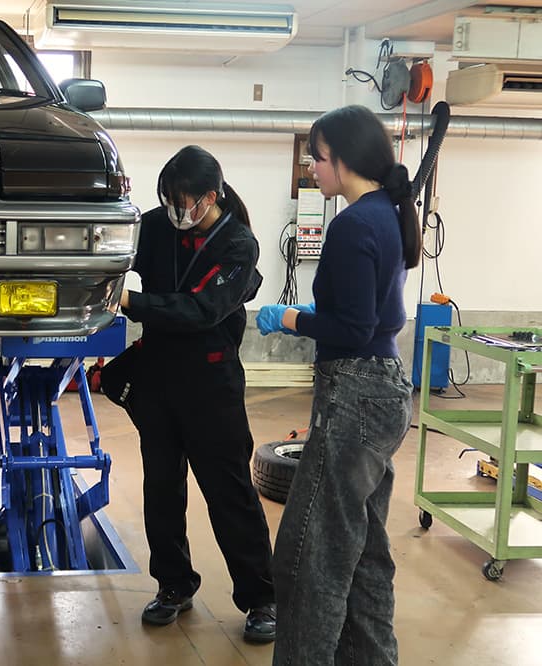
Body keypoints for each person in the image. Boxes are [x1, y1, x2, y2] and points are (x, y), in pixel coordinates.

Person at [256, 104, 419, 665]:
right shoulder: (386, 214)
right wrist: (314, 314)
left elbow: (351, 329)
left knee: (310, 558)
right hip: (386, 390)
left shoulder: (352, 224)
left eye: (318, 158)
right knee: (365, 553)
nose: (312, 168)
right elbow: (377, 316)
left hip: (354, 395)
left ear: (344, 159)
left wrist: (291, 317)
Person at [119, 145, 276, 643]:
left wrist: (131, 302)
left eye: (182, 201)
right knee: (161, 490)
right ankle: (173, 585)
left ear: (210, 197)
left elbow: (202, 310)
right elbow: (113, 247)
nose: (174, 210)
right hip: (158, 377)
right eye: (167, 199)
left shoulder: (238, 244)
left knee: (229, 493)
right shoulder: (156, 226)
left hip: (211, 384)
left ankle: (261, 597)